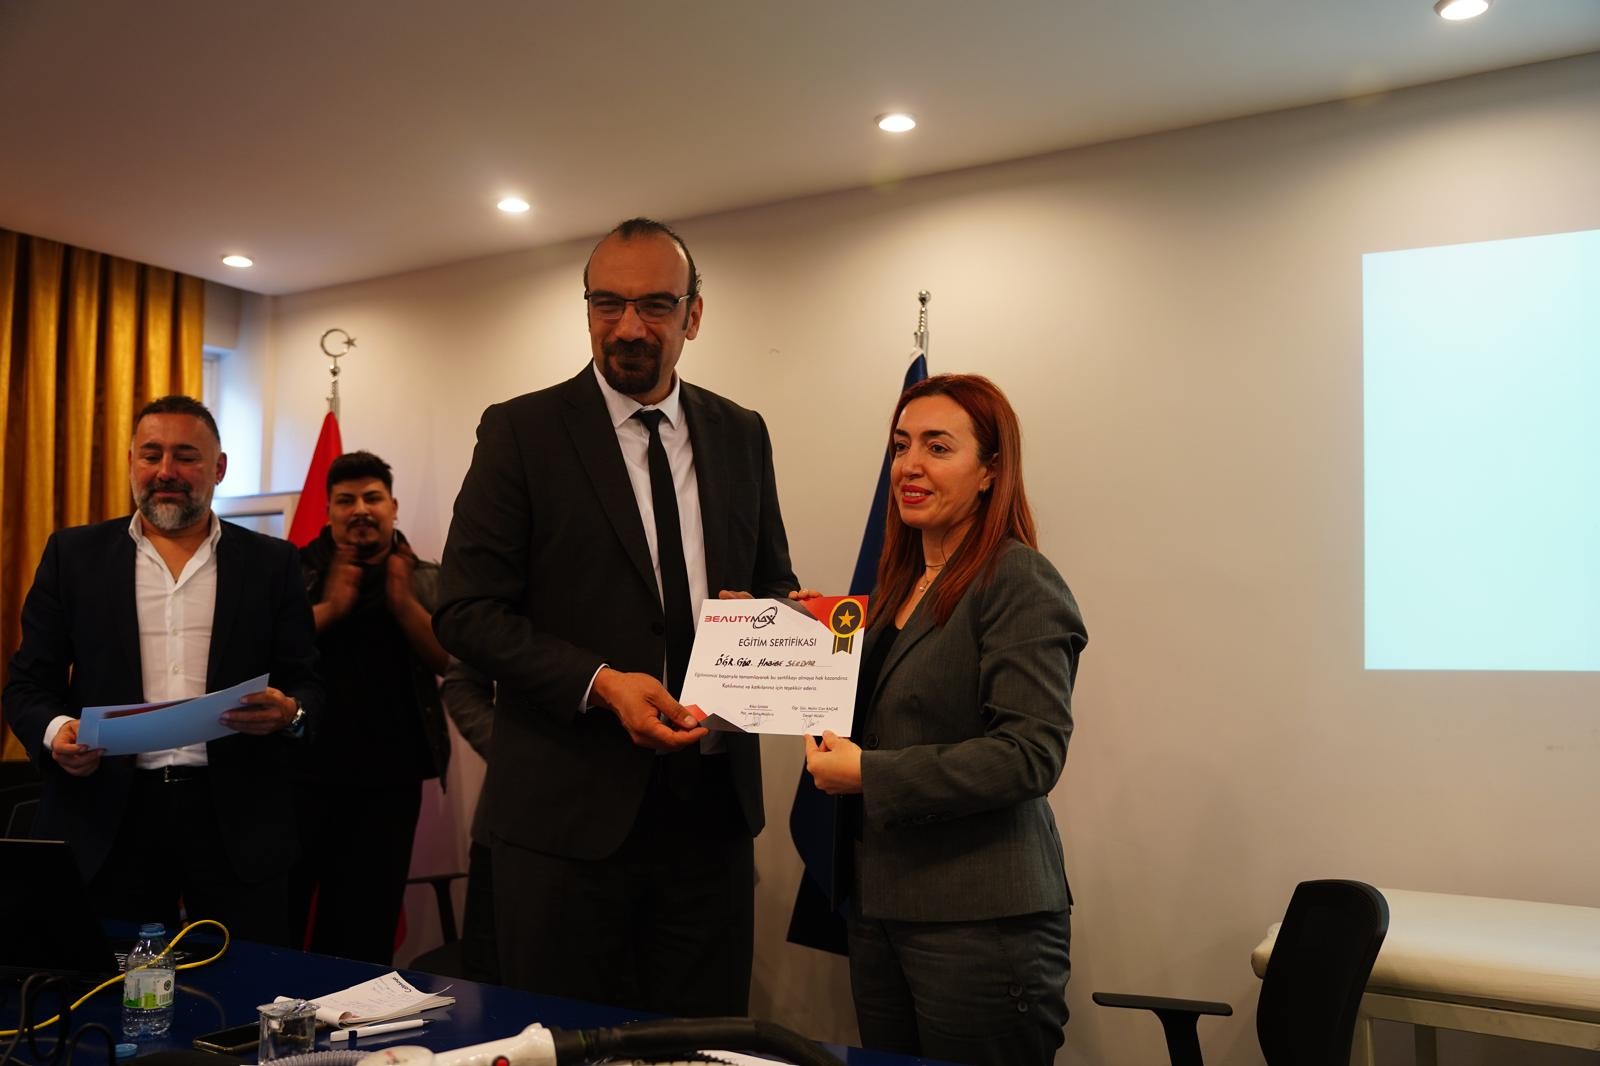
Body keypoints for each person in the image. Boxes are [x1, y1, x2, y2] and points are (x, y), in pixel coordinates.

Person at [434, 217, 798, 1016]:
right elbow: (463, 610)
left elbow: (773, 582)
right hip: (565, 828)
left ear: (693, 315)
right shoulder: (521, 430)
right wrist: (600, 683)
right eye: (608, 303)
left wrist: (773, 624)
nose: (628, 326)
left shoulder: (741, 434)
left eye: (655, 305)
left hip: (711, 819)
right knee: (564, 1044)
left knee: (702, 1047)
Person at [805, 374, 1087, 1066]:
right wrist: (782, 638)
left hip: (980, 924)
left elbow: (1030, 753)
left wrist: (870, 774)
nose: (910, 465)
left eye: (938, 447)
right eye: (901, 446)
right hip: (881, 909)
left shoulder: (1018, 578)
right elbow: (886, 711)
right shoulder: (895, 590)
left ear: (990, 470)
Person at [3, 395, 320, 945]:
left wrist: (290, 713)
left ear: (219, 468)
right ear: (131, 462)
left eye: (186, 456)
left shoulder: (273, 563)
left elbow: (308, 681)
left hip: (236, 819)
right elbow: (28, 683)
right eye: (151, 455)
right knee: (107, 981)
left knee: (245, 981)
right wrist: (57, 733)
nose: (166, 471)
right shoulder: (72, 556)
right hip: (108, 815)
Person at [294, 450, 450, 964]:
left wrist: (403, 604)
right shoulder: (293, 572)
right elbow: (267, 652)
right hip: (300, 776)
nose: (360, 509)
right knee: (285, 917)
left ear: (393, 506)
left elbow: (451, 662)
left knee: (367, 925)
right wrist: (332, 608)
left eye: (372, 498)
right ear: (328, 510)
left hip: (391, 781)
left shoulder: (424, 577)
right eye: (346, 500)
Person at [438, 660, 498, 983]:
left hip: (644, 837)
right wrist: (517, 755)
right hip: (510, 834)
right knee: (491, 982)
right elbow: (462, 684)